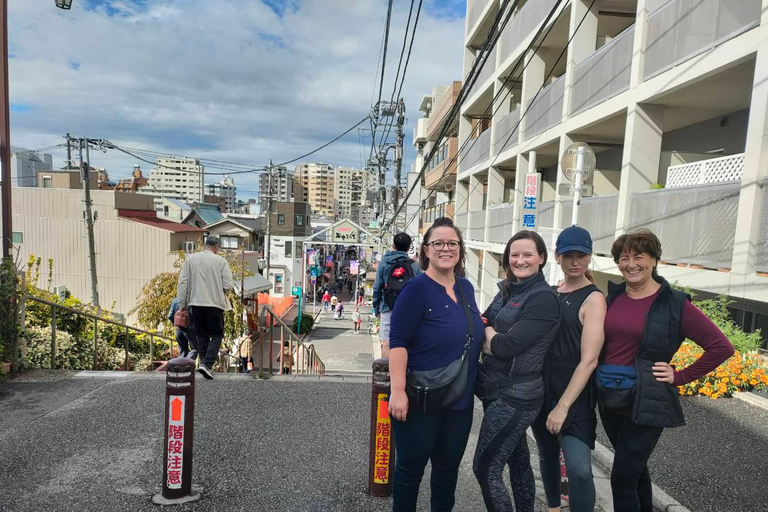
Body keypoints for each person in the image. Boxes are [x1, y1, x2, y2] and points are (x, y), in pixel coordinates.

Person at [600, 229, 733, 512]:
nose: (631, 264)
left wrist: (680, 376)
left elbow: (721, 346)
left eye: (639, 256)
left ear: (654, 260)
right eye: (624, 258)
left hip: (647, 401)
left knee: (622, 478)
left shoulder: (674, 304)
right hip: (610, 397)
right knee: (635, 471)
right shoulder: (613, 298)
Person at [388, 217, 484, 512]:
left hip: (459, 402)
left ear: (460, 249)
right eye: (438, 243)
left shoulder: (466, 288)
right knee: (409, 473)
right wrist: (398, 391)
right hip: (419, 400)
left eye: (452, 243)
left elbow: (472, 327)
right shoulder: (416, 290)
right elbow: (398, 342)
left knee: (447, 473)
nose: (446, 249)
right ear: (426, 250)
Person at [473, 230, 561, 512]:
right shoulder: (508, 290)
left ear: (541, 258)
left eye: (527, 254)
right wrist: (490, 332)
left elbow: (506, 346)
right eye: (514, 255)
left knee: (485, 468)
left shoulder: (543, 299)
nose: (520, 260)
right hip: (497, 388)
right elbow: (482, 319)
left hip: (517, 395)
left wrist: (489, 334)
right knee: (518, 461)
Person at [531, 226, 607, 512]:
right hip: (540, 386)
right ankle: (553, 508)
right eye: (568, 255)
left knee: (579, 470)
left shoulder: (594, 298)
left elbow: (589, 360)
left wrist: (563, 406)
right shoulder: (549, 292)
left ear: (589, 258)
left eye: (581, 256)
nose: (575, 262)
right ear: (557, 257)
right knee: (547, 455)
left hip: (573, 393)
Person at [177, 236, 234, 380]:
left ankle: (204, 365)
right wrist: (222, 292)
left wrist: (182, 305)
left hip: (195, 303)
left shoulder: (190, 259)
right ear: (217, 247)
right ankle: (207, 364)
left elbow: (183, 283)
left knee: (201, 335)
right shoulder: (220, 261)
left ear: (205, 245)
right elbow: (228, 285)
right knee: (217, 334)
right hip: (214, 303)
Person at [373, 232, 422, 358]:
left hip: (387, 306)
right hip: (408, 308)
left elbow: (377, 287)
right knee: (406, 342)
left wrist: (376, 307)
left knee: (387, 343)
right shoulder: (414, 265)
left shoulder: (384, 263)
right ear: (408, 247)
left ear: (393, 245)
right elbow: (421, 287)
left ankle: (385, 373)